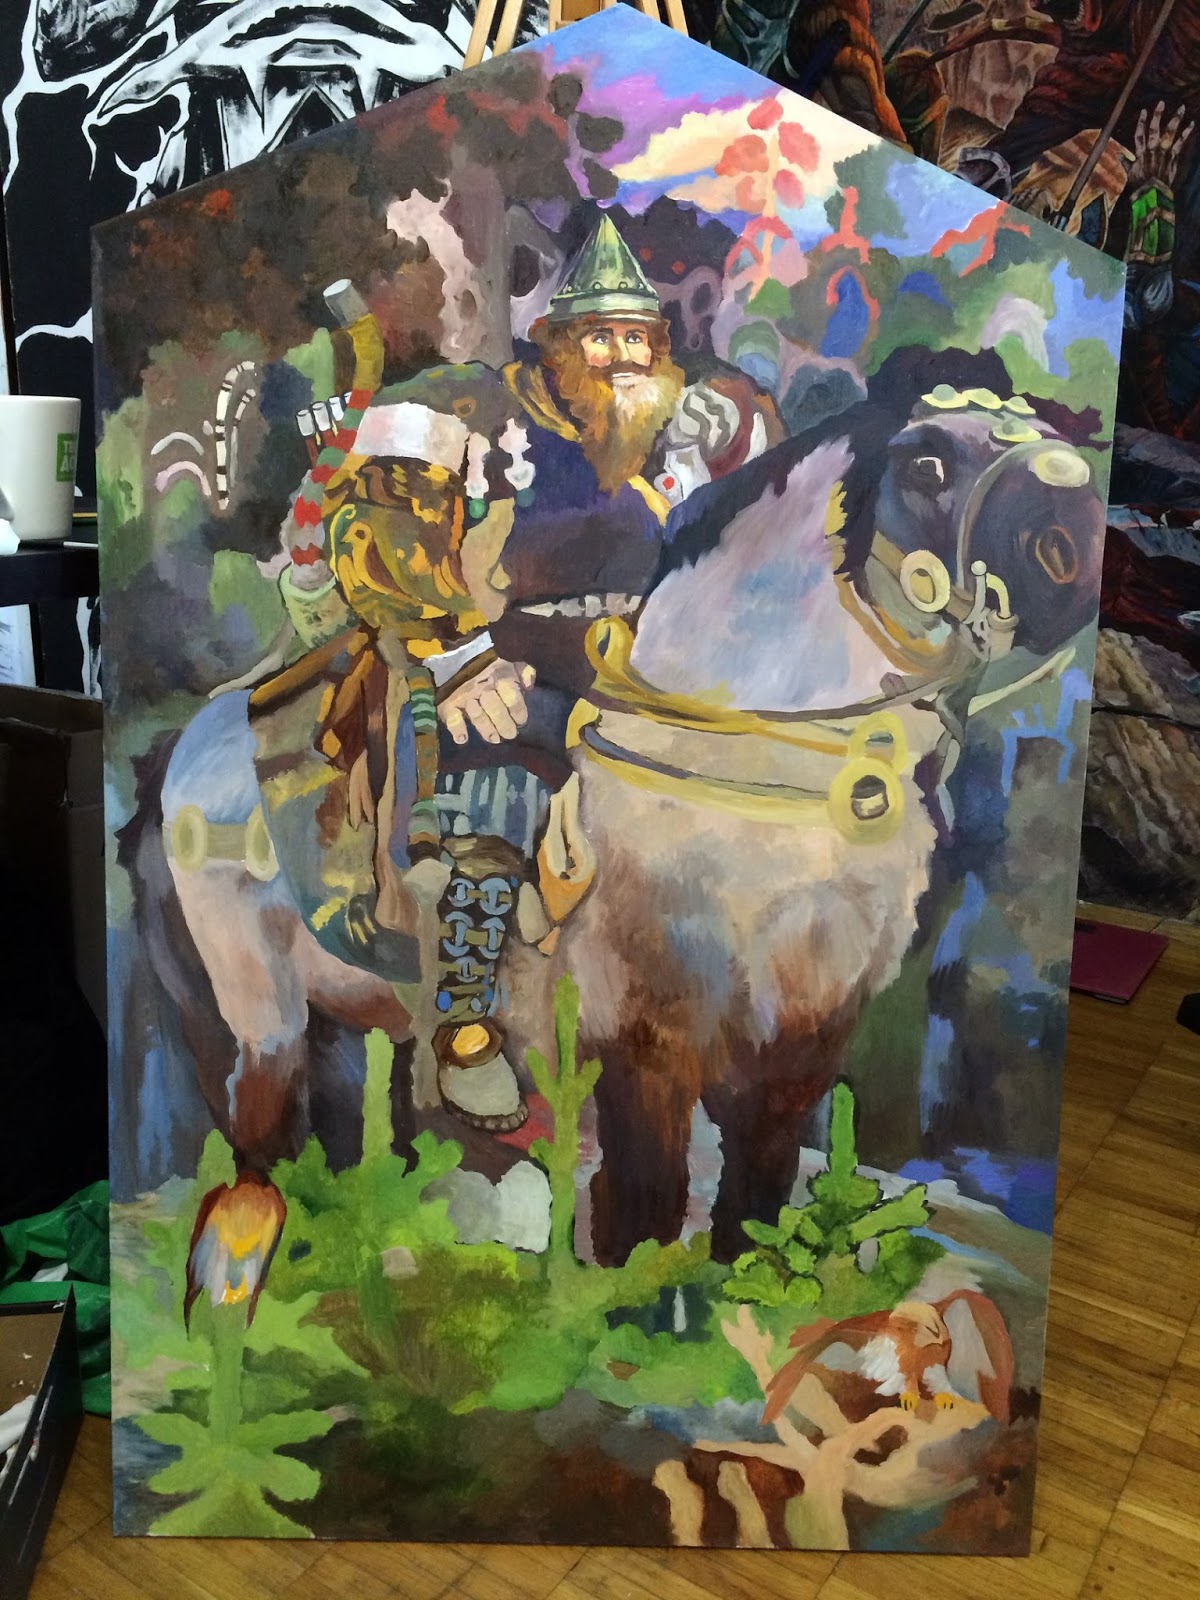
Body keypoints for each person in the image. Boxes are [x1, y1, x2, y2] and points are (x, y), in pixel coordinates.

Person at [265, 212, 783, 1130]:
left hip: (640, 680)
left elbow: (754, 505)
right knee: (497, 790)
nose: (622, 357)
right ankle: (467, 1025)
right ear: (556, 342)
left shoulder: (666, 423)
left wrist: (733, 438)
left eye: (638, 338)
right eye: (601, 337)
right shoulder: (468, 407)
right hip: (494, 664)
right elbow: (376, 521)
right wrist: (460, 655)